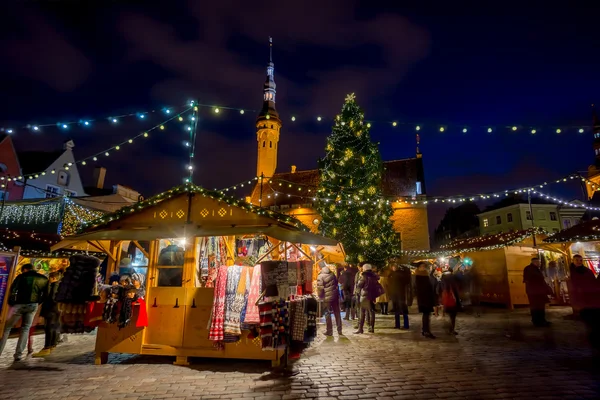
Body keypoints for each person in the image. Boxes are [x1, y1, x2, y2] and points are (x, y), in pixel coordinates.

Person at [0, 263, 49, 361]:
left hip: (19, 304)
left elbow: (13, 289)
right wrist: (38, 302)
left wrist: (12, 301)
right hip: (33, 305)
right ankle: (18, 354)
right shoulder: (43, 279)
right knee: (25, 329)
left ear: (25, 269)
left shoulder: (21, 277)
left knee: (7, 328)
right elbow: (45, 294)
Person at [569, 255, 600, 354]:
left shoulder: (587, 271)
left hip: (592, 299)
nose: (579, 262)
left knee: (594, 323)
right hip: (583, 301)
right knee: (590, 323)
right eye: (577, 260)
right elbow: (573, 289)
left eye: (580, 260)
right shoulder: (572, 272)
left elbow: (594, 282)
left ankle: (595, 342)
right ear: (573, 261)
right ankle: (594, 342)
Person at [33, 271, 63, 357]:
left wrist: (46, 304)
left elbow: (52, 297)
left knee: (48, 328)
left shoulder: (54, 285)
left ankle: (47, 347)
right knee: (53, 327)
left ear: (53, 278)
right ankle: (52, 345)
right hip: (57, 310)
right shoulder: (61, 285)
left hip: (51, 310)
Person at [523, 257, 552, 327]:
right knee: (538, 306)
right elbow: (537, 279)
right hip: (536, 292)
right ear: (535, 262)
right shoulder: (531, 269)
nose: (540, 264)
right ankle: (539, 321)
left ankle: (539, 320)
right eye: (539, 262)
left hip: (534, 291)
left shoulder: (530, 269)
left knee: (537, 306)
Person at [317, 264, 343, 336]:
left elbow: (320, 288)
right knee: (337, 312)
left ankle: (329, 331)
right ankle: (339, 330)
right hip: (335, 296)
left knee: (327, 313)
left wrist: (320, 296)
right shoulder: (332, 274)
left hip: (327, 297)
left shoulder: (320, 276)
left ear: (320, 268)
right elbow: (336, 282)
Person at [355, 264, 380, 334]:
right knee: (371, 312)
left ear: (364, 269)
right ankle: (371, 328)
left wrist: (358, 293)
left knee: (362, 312)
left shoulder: (364, 276)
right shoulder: (374, 276)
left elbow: (359, 286)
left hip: (364, 296)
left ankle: (360, 329)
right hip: (372, 296)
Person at [388, 264, 412, 330]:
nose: (394, 268)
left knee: (402, 310)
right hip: (396, 294)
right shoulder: (392, 275)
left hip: (400, 294)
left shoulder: (400, 274)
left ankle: (405, 325)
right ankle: (398, 324)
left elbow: (406, 281)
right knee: (397, 310)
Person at [415, 262, 436, 338]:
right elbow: (420, 289)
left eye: (424, 266)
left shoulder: (425, 274)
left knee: (427, 315)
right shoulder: (419, 276)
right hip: (424, 298)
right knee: (426, 314)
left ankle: (425, 330)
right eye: (422, 266)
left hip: (427, 297)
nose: (423, 267)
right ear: (419, 267)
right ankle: (426, 331)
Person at [441, 267, 461, 335]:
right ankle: (451, 329)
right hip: (453, 302)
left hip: (446, 302)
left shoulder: (443, 281)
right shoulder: (453, 283)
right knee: (452, 316)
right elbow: (456, 294)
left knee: (450, 316)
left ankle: (449, 328)